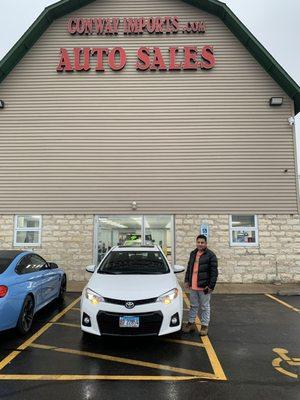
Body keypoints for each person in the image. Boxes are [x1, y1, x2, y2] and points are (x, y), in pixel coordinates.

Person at [182, 234, 218, 336]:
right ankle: (191, 323)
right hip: (193, 286)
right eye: (198, 242)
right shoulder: (193, 253)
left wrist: (211, 286)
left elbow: (214, 273)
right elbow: (189, 268)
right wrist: (187, 280)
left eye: (202, 242)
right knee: (193, 306)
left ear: (206, 243)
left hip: (204, 287)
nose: (200, 244)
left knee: (205, 307)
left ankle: (204, 325)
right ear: (196, 243)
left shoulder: (211, 255)